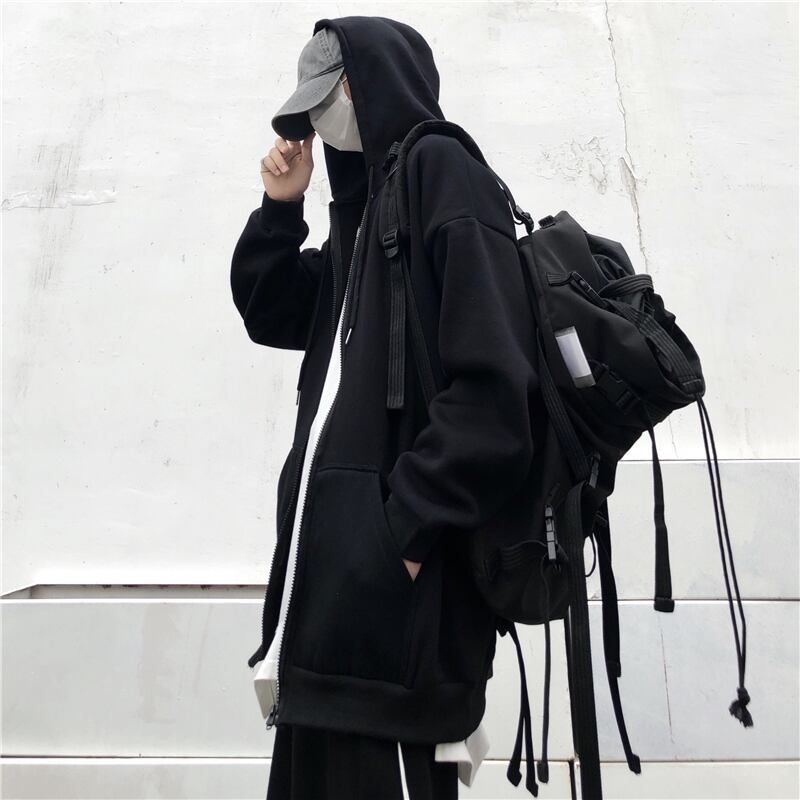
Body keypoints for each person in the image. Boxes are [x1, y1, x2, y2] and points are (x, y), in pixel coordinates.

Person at [230, 15, 537, 800]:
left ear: (373, 83)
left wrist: (400, 535)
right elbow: (272, 309)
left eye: (325, 100)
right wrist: (280, 210)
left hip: (396, 631)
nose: (318, 124)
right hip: (323, 628)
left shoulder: (445, 175)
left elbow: (496, 393)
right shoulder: (362, 224)